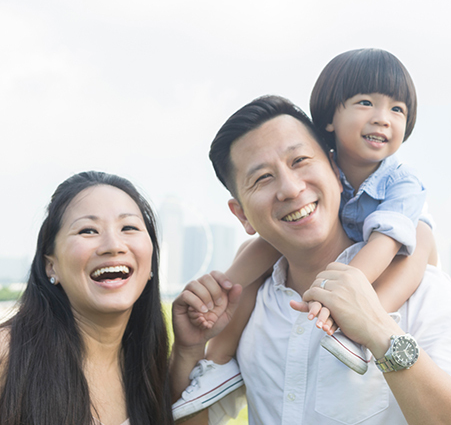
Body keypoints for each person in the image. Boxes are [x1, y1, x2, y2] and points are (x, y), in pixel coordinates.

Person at [172, 49, 436, 420]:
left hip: (389, 259)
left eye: (397, 109)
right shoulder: (261, 296)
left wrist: (363, 308)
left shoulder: (400, 186)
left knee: (419, 241)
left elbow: (401, 241)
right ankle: (217, 358)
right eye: (262, 177)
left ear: (327, 165)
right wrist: (197, 333)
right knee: (254, 254)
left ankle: (360, 327)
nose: (292, 187)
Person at [0, 171, 173, 425]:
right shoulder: (9, 354)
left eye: (129, 227)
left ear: (150, 262)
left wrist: (190, 350)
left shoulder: (149, 363)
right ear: (51, 266)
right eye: (88, 230)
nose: (113, 245)